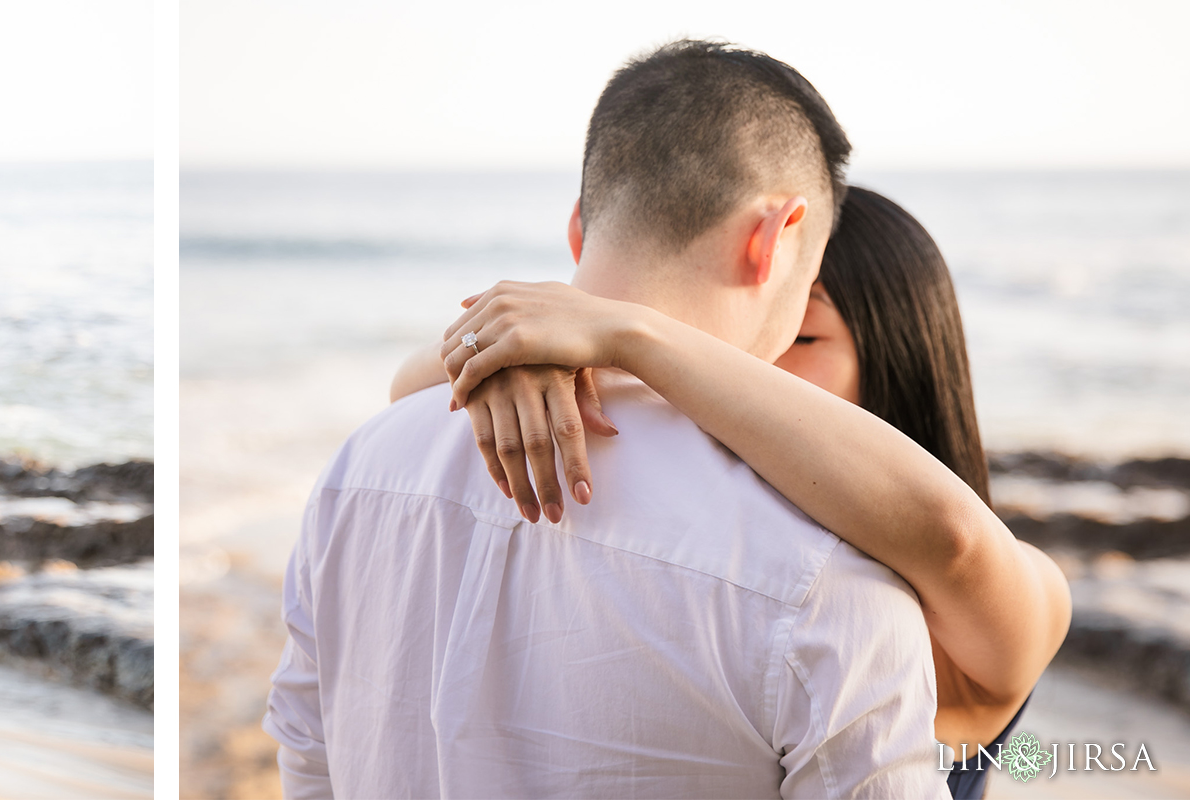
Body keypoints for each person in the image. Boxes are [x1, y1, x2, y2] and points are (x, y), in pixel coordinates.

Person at [263, 40, 945, 798]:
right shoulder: (825, 578)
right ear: (775, 238)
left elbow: (306, 752)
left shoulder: (363, 466)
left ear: (579, 227)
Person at [410, 185, 1071, 800]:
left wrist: (622, 332)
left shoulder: (1029, 590)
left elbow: (952, 538)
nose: (752, 365)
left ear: (902, 359)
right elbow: (405, 392)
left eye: (803, 336)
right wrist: (517, 354)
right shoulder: (728, 550)